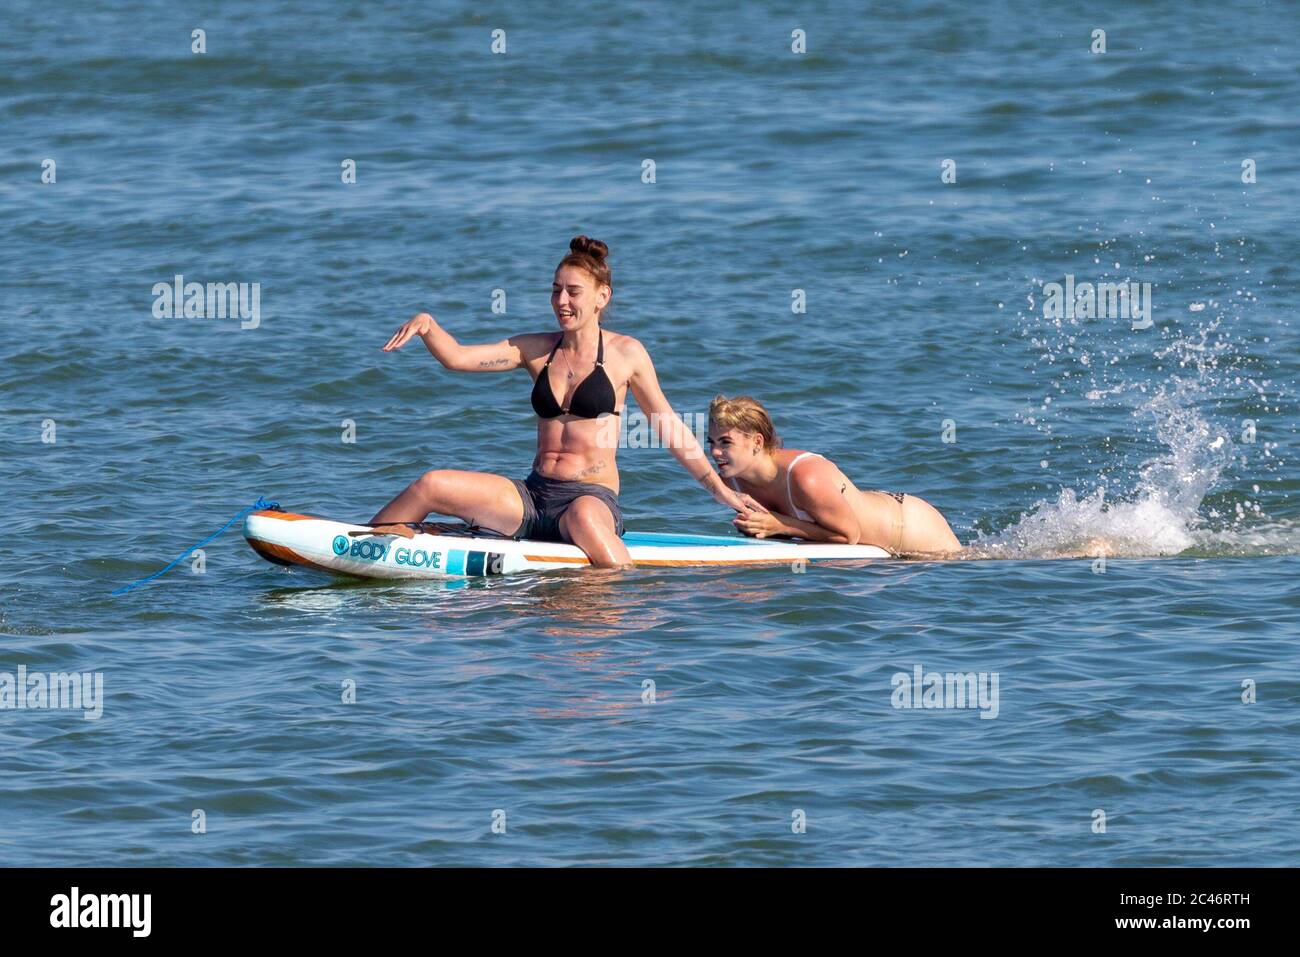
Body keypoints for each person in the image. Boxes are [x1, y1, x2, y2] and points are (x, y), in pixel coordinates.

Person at [367, 236, 764, 569]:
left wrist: (721, 491)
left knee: (589, 524)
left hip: (589, 500)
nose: (561, 301)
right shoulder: (535, 350)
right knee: (432, 484)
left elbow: (669, 427)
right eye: (556, 290)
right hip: (531, 498)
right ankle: (361, 548)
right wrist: (428, 325)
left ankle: (622, 603)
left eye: (573, 292)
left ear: (601, 297)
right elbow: (457, 358)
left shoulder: (627, 354)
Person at [707, 395, 963, 556]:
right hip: (879, 549)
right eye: (711, 442)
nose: (715, 452)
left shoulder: (805, 477)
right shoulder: (732, 479)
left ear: (757, 442)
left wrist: (779, 525)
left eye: (725, 442)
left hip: (910, 531)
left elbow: (849, 535)